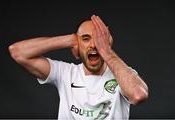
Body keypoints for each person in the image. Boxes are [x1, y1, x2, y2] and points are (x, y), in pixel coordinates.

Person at [9, 15, 148, 119]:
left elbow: (138, 95)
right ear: (78, 45)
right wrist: (69, 39)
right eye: (86, 39)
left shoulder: (123, 75)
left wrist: (106, 51)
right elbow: (18, 52)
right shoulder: (65, 73)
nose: (93, 45)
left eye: (98, 39)